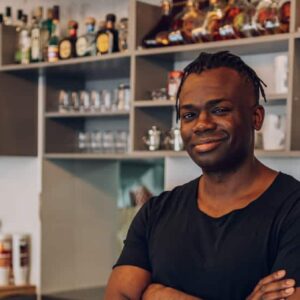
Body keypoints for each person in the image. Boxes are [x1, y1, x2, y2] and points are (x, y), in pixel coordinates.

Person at [104, 51, 300, 300]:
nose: (202, 124)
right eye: (189, 115)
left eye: (219, 110)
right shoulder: (156, 212)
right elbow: (118, 295)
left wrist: (159, 295)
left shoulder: (293, 211)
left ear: (256, 117)